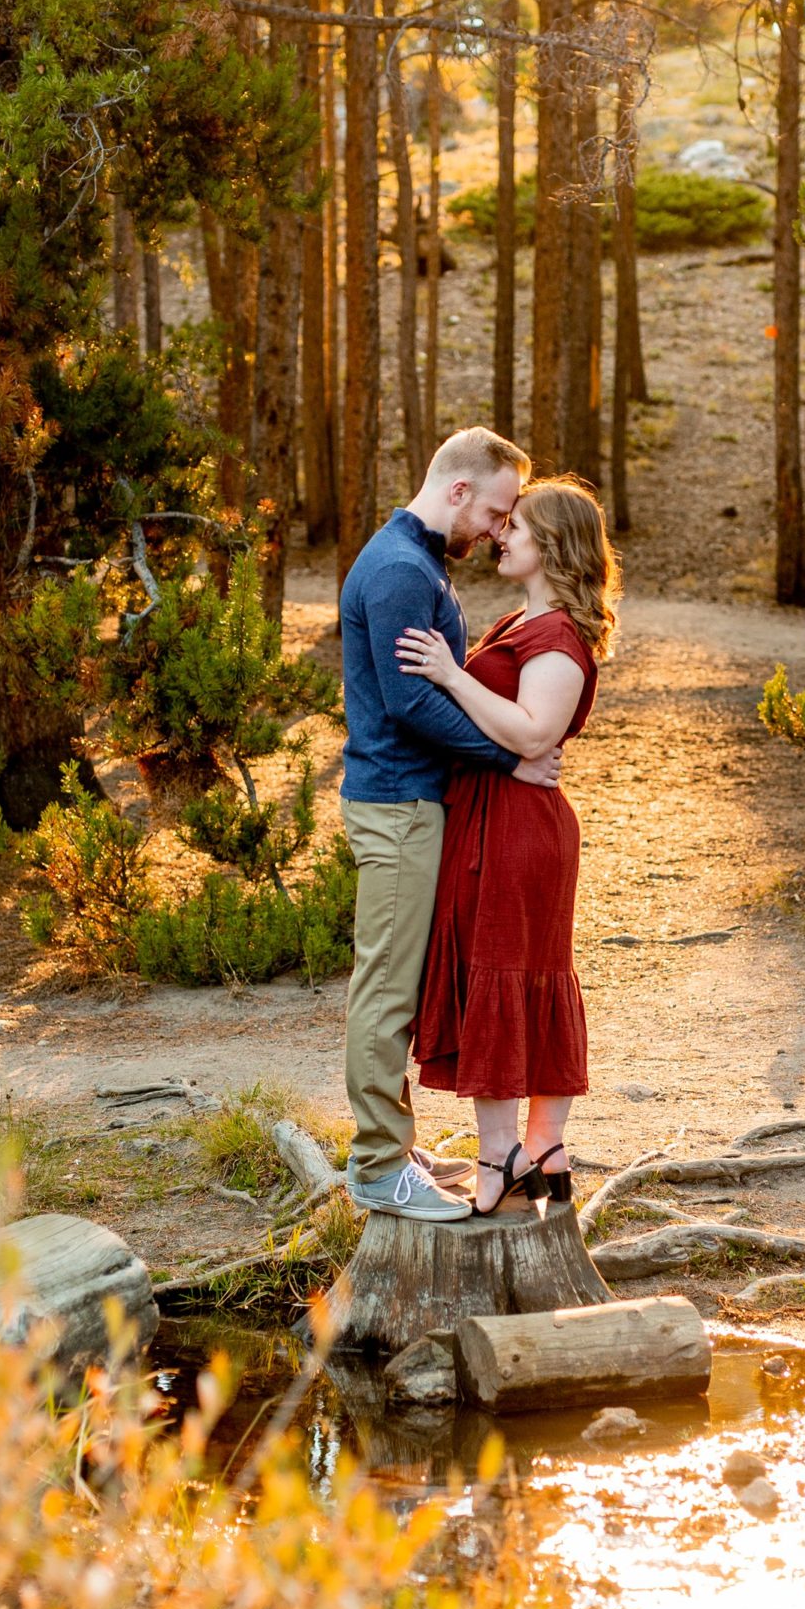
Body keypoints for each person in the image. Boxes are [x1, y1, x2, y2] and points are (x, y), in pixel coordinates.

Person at [338, 427, 563, 1221]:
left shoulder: (416, 562)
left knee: (396, 982)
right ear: (458, 491)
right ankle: (374, 1166)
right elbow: (409, 702)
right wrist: (510, 761)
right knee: (387, 989)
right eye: (498, 512)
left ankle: (390, 1148)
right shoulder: (402, 570)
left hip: (409, 802)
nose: (500, 531)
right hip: (397, 803)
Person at [395, 478, 620, 1213]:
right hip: (493, 813)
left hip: (520, 827)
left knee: (504, 971)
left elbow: (532, 734)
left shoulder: (557, 637)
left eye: (514, 525)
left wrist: (452, 675)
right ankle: (544, 1153)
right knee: (509, 973)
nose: (500, 534)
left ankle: (502, 1158)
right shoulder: (518, 623)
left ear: (552, 544)